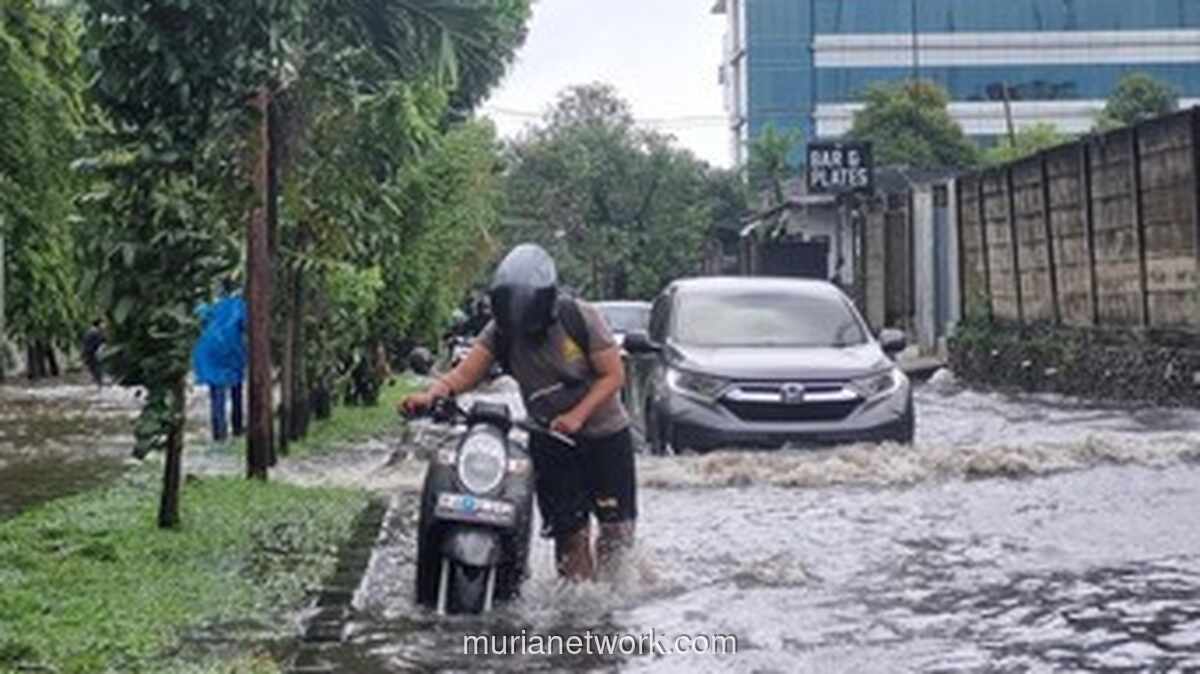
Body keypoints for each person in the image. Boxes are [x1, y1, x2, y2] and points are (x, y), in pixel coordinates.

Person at [402, 244, 637, 582]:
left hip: (605, 437)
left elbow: (613, 375)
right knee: (569, 532)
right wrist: (431, 396)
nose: (523, 331)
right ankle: (580, 602)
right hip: (548, 438)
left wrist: (577, 416)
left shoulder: (580, 317)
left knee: (616, 532)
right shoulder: (500, 332)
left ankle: (615, 597)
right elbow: (466, 374)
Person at [192, 278, 247, 442]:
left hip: (210, 350)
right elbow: (246, 326)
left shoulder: (207, 305)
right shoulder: (239, 305)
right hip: (232, 349)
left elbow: (197, 320)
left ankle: (219, 434)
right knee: (236, 390)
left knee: (216, 393)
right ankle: (237, 429)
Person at [81, 319, 106, 387]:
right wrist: (99, 351)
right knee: (96, 368)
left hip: (88, 353)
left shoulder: (90, 332)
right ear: (99, 324)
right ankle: (99, 384)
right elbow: (101, 342)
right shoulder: (95, 332)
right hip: (92, 353)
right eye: (103, 323)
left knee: (93, 369)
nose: (104, 325)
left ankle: (97, 384)